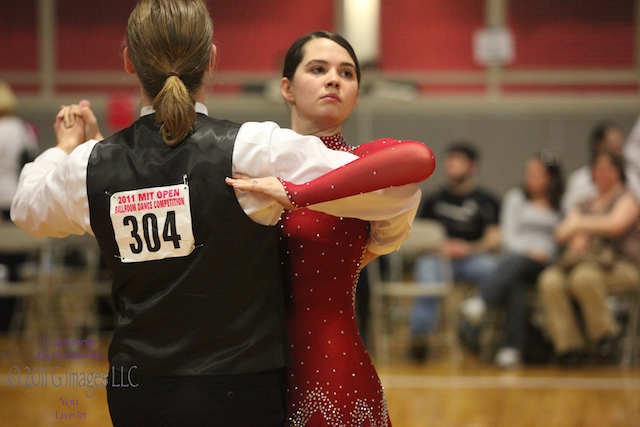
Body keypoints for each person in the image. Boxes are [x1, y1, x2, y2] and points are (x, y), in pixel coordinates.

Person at [11, 2, 434, 425]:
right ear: (211, 58)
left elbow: (26, 207)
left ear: (128, 62)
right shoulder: (252, 148)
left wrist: (65, 149)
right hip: (239, 387)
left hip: (139, 390)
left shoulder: (90, 164)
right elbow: (395, 184)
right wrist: (309, 199)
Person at [227, 30, 434, 426]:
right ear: (286, 88)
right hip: (247, 369)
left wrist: (296, 193)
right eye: (318, 69)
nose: (334, 79)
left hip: (331, 365)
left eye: (347, 73)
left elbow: (419, 159)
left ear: (356, 94)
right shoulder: (252, 161)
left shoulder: (363, 165)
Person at [538, 150, 640, 367]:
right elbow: (561, 232)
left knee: (583, 278)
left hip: (621, 266)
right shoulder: (584, 202)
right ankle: (569, 346)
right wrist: (576, 236)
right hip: (583, 263)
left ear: (618, 172)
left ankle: (605, 335)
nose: (602, 174)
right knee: (550, 280)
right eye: (598, 169)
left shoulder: (627, 197)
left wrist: (580, 225)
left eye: (607, 169)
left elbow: (615, 225)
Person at [407, 141, 501, 360]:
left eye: (458, 161)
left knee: (493, 269)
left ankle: (473, 327)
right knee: (427, 271)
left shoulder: (487, 200)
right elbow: (419, 234)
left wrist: (468, 248)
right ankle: (420, 337)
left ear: (472, 166)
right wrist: (440, 247)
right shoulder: (433, 199)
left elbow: (494, 238)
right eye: (449, 161)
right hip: (438, 257)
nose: (452, 166)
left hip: (472, 258)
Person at [481, 150, 564, 368]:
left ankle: (482, 302)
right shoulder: (515, 198)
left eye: (537, 173)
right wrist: (529, 250)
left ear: (550, 178)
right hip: (518, 260)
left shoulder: (561, 204)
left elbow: (561, 238)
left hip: (547, 263)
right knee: (515, 281)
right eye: (529, 172)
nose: (530, 177)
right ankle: (512, 349)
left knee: (516, 267)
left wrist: (543, 253)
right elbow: (508, 237)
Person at [0, 80, 39, 330]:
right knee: (14, 267)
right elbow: (31, 164)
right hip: (11, 199)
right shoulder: (21, 129)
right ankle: (11, 323)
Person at [562, 121, 640, 213]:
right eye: (614, 143)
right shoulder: (579, 179)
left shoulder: (630, 177)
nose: (619, 148)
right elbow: (569, 210)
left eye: (620, 143)